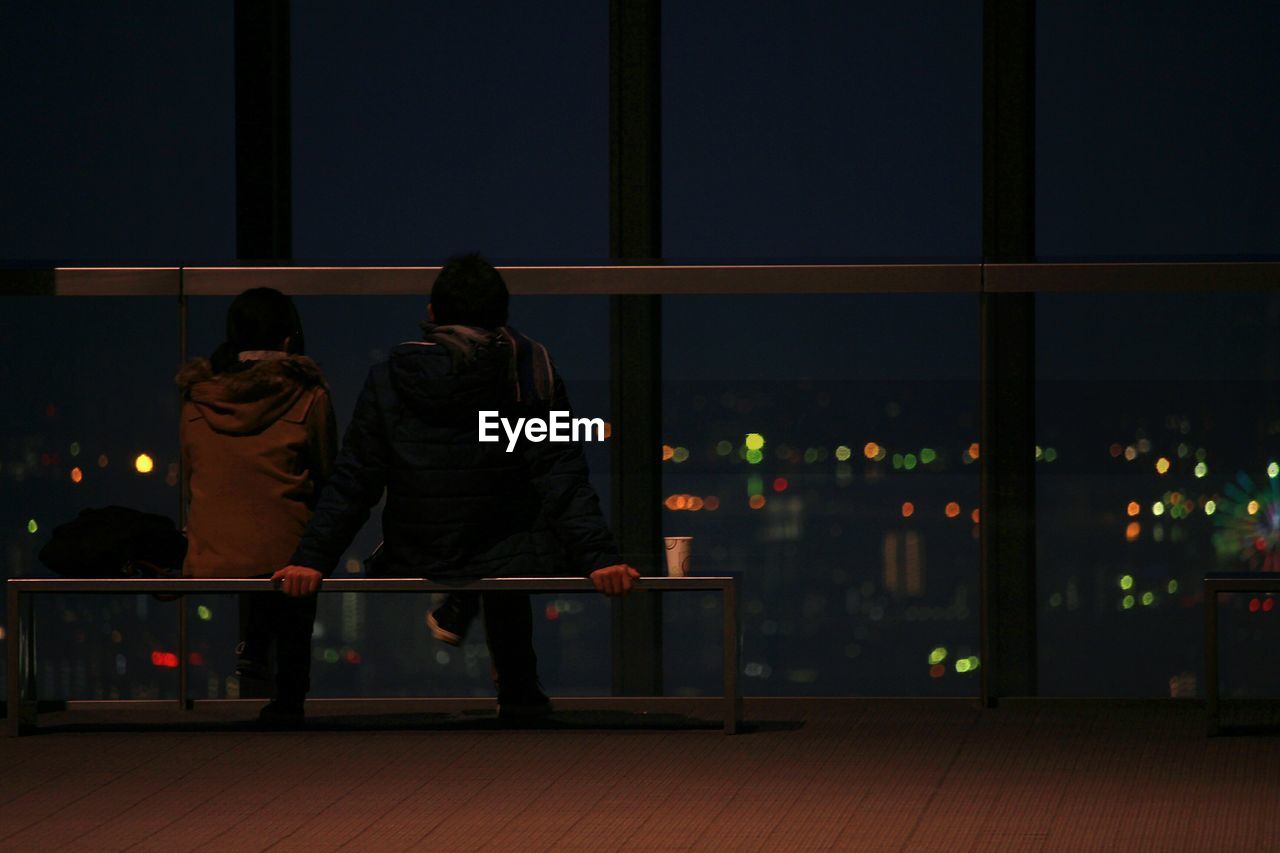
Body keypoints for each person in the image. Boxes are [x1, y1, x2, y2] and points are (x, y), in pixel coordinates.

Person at [273, 253, 638, 718]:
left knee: (502, 532)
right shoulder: (529, 370)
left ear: (431, 313)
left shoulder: (389, 377)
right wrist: (600, 558)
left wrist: (311, 559)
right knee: (516, 524)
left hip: (418, 544)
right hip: (504, 545)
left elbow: (356, 479)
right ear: (503, 317)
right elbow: (559, 472)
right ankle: (518, 687)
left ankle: (463, 611)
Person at [177, 288, 337, 727]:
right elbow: (327, 472)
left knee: (257, 532)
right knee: (292, 539)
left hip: (211, 551)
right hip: (287, 559)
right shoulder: (310, 396)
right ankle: (289, 695)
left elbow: (194, 473)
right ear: (289, 342)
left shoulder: (196, 399)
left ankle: (252, 645)